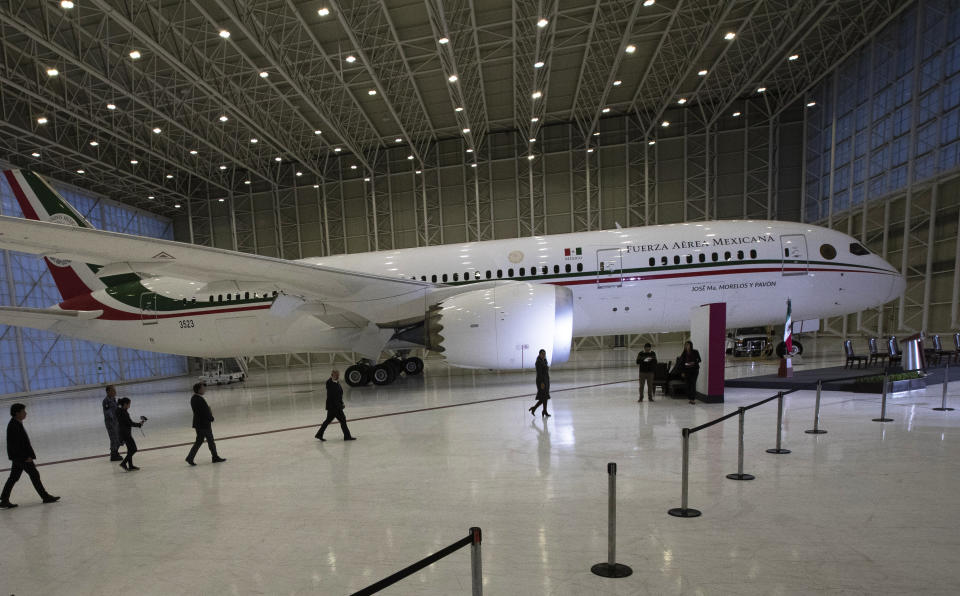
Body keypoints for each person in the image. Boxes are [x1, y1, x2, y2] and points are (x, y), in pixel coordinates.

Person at [0, 403, 59, 509]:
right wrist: (26, 457)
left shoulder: (16, 423)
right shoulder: (14, 425)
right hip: (22, 458)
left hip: (18, 457)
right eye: (23, 411)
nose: (25, 413)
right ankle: (45, 496)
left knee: (13, 477)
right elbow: (16, 445)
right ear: (17, 413)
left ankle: (4, 499)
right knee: (34, 475)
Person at [185, 383, 226, 465]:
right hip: (203, 425)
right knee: (210, 441)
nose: (204, 390)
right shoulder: (199, 399)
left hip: (199, 424)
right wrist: (211, 417)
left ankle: (190, 458)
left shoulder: (194, 398)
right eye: (203, 388)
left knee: (200, 441)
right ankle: (214, 457)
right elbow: (204, 412)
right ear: (199, 389)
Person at [316, 370, 356, 441]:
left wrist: (341, 403)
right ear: (332, 375)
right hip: (334, 407)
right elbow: (333, 397)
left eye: (338, 375)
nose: (338, 376)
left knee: (328, 420)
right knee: (342, 419)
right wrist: (340, 406)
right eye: (336, 375)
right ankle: (347, 436)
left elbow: (338, 395)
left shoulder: (336, 382)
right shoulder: (330, 383)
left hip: (334, 406)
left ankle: (319, 434)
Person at [116, 397, 144, 471]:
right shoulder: (124, 412)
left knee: (130, 449)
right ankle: (124, 463)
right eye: (129, 404)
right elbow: (130, 423)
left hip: (123, 433)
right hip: (126, 434)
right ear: (125, 404)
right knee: (134, 449)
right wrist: (139, 425)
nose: (129, 406)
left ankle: (130, 465)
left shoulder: (120, 410)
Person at [529, 349, 551, 417]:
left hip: (546, 380)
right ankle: (536, 408)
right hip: (541, 381)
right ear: (539, 354)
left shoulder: (544, 360)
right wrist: (542, 383)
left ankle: (544, 410)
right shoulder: (538, 362)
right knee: (543, 398)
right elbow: (539, 373)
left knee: (545, 397)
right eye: (542, 354)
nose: (544, 355)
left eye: (544, 354)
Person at [102, 385, 122, 461]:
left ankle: (115, 451)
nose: (115, 392)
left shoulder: (113, 399)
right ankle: (113, 454)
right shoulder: (106, 401)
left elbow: (115, 408)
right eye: (113, 390)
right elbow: (108, 412)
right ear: (108, 392)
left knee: (118, 437)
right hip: (110, 423)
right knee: (113, 438)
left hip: (116, 421)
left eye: (115, 390)